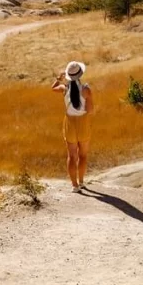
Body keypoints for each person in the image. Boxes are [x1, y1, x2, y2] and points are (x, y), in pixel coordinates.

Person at [52, 61, 94, 193]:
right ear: (80, 74)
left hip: (69, 123)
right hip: (83, 123)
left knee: (71, 156)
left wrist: (59, 78)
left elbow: (53, 88)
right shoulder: (86, 90)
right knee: (83, 155)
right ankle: (81, 182)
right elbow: (90, 109)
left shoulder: (64, 89)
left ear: (68, 75)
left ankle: (74, 186)